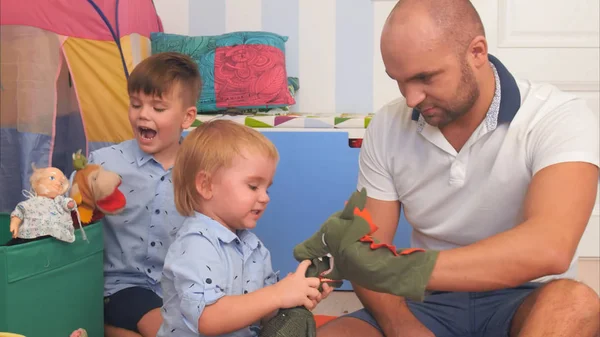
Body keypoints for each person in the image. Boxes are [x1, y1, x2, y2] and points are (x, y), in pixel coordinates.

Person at [317, 1, 600, 337]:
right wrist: (402, 326)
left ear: (477, 52)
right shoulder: (388, 125)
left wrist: (396, 267)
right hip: (426, 302)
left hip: (527, 298)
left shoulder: (558, 117)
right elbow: (367, 247)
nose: (411, 98)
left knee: (576, 304)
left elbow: (549, 248)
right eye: (399, 80)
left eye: (425, 77)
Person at [157, 119, 332, 337]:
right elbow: (208, 318)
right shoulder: (196, 244)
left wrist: (297, 294)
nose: (265, 197)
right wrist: (277, 294)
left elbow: (264, 312)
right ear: (206, 185)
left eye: (267, 188)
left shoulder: (253, 246)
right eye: (253, 186)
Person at [80, 52, 201, 337]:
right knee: (167, 329)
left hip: (178, 289)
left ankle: (106, 330)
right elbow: (76, 210)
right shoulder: (105, 163)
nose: (143, 114)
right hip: (120, 287)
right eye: (136, 105)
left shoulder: (200, 171)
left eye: (158, 108)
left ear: (187, 117)